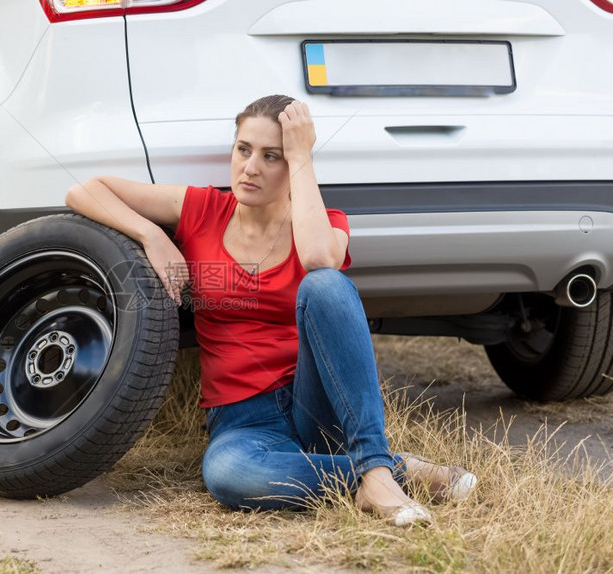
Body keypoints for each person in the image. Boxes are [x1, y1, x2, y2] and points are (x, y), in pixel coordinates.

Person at [65, 94, 477, 526]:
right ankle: (394, 474)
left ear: (293, 165)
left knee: (325, 285)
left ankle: (374, 467)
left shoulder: (325, 222)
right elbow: (85, 189)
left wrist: (302, 154)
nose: (251, 167)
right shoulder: (203, 209)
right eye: (243, 150)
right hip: (242, 420)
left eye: (272, 157)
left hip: (315, 404)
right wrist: (152, 234)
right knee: (229, 476)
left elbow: (320, 261)